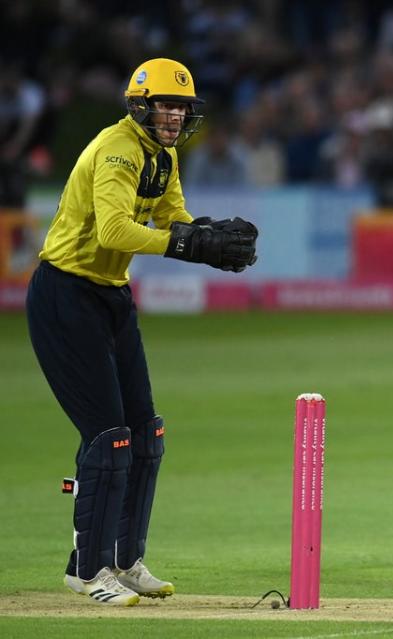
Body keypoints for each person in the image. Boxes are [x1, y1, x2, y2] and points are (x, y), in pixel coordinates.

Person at [26, 58, 258, 607]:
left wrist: (203, 236)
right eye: (165, 105)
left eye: (182, 107)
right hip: (65, 295)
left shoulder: (165, 155)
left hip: (110, 296)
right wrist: (185, 245)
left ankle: (125, 561)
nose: (175, 115)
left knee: (145, 435)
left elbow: (172, 217)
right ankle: (86, 572)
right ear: (140, 106)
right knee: (109, 439)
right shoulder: (118, 150)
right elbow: (112, 229)